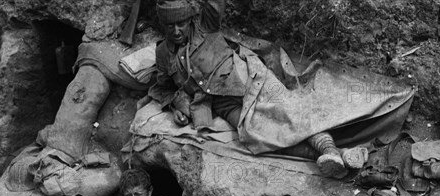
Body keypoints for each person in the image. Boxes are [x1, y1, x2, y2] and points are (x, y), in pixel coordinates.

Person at [149, 0, 369, 179]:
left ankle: (329, 148)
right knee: (258, 137)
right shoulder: (162, 53)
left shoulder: (207, 25)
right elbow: (163, 87)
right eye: (170, 26)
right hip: (218, 103)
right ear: (163, 26)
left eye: (181, 24)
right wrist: (174, 104)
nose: (177, 31)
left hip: (248, 77)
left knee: (290, 111)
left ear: (190, 20)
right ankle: (339, 155)